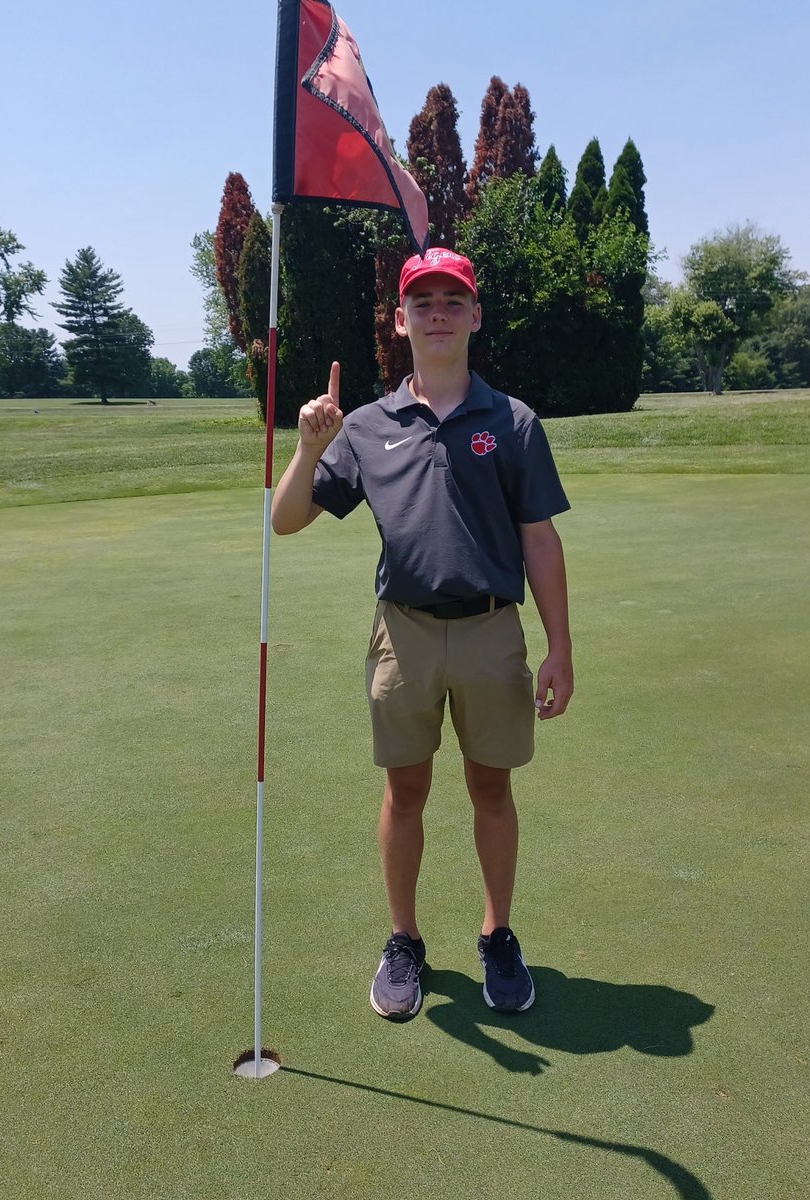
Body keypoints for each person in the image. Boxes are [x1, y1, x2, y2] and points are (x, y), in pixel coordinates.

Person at [271, 247, 574, 1020]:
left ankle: (497, 935)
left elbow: (540, 539)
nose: (437, 313)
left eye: (452, 300)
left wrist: (560, 648)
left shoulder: (512, 422)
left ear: (474, 315)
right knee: (405, 790)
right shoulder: (367, 426)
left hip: (491, 633)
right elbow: (286, 519)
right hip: (401, 634)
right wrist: (308, 447)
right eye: (422, 302)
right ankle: (403, 940)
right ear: (400, 321)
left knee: (491, 788)